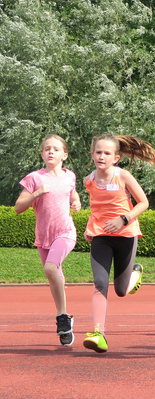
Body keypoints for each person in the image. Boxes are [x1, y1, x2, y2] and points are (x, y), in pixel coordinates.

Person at [82, 134, 155, 353]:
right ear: (92, 155)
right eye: (98, 152)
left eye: (106, 153)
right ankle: (99, 333)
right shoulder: (89, 180)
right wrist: (89, 227)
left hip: (126, 234)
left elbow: (144, 203)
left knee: (122, 290)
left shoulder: (123, 176)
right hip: (101, 236)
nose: (101, 156)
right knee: (100, 282)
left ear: (116, 158)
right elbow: (95, 208)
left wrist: (123, 219)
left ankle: (135, 272)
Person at [15, 134, 82, 346]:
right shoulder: (35, 178)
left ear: (65, 154)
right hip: (44, 237)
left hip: (65, 232)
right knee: (54, 276)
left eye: (55, 149)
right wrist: (36, 194)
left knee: (51, 269)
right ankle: (65, 323)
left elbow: (73, 194)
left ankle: (62, 318)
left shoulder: (69, 176)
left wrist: (77, 202)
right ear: (42, 154)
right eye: (47, 149)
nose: (50, 152)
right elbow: (18, 207)